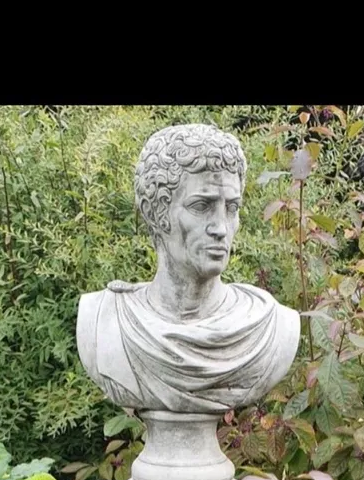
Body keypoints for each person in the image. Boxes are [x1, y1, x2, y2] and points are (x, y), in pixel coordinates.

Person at [77, 123, 300, 414]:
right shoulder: (104, 320)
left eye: (231, 207)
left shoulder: (271, 326)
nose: (221, 228)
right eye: (201, 206)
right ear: (155, 212)